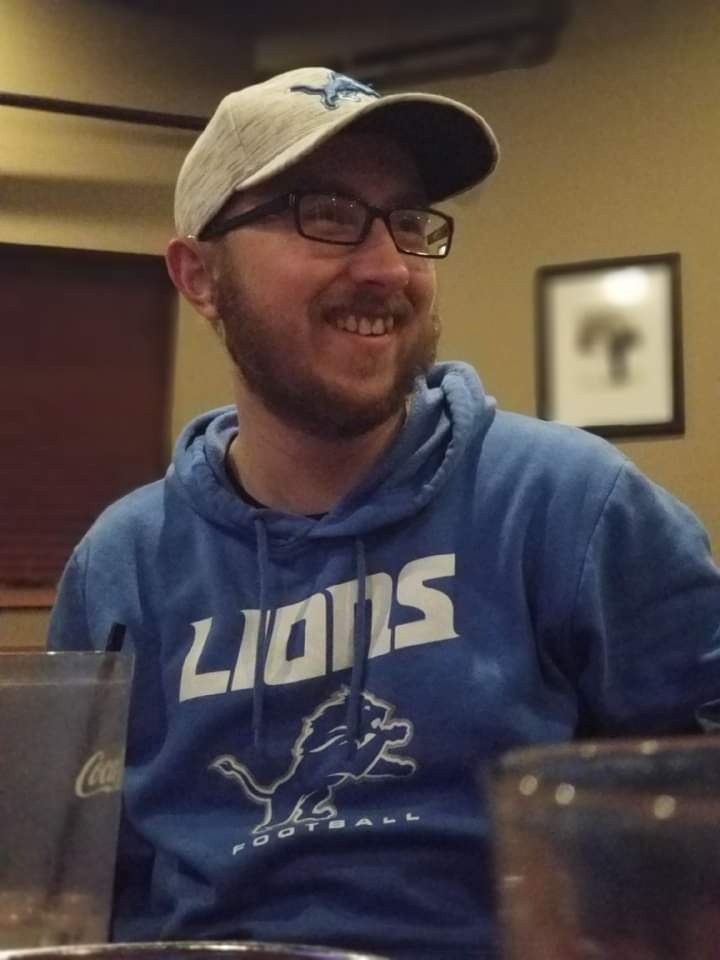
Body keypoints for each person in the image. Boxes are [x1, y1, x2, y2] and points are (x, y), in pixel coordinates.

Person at [49, 66, 720, 960]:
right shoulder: (121, 564)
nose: (389, 267)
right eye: (326, 215)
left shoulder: (570, 506)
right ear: (200, 276)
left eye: (408, 221)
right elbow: (70, 879)